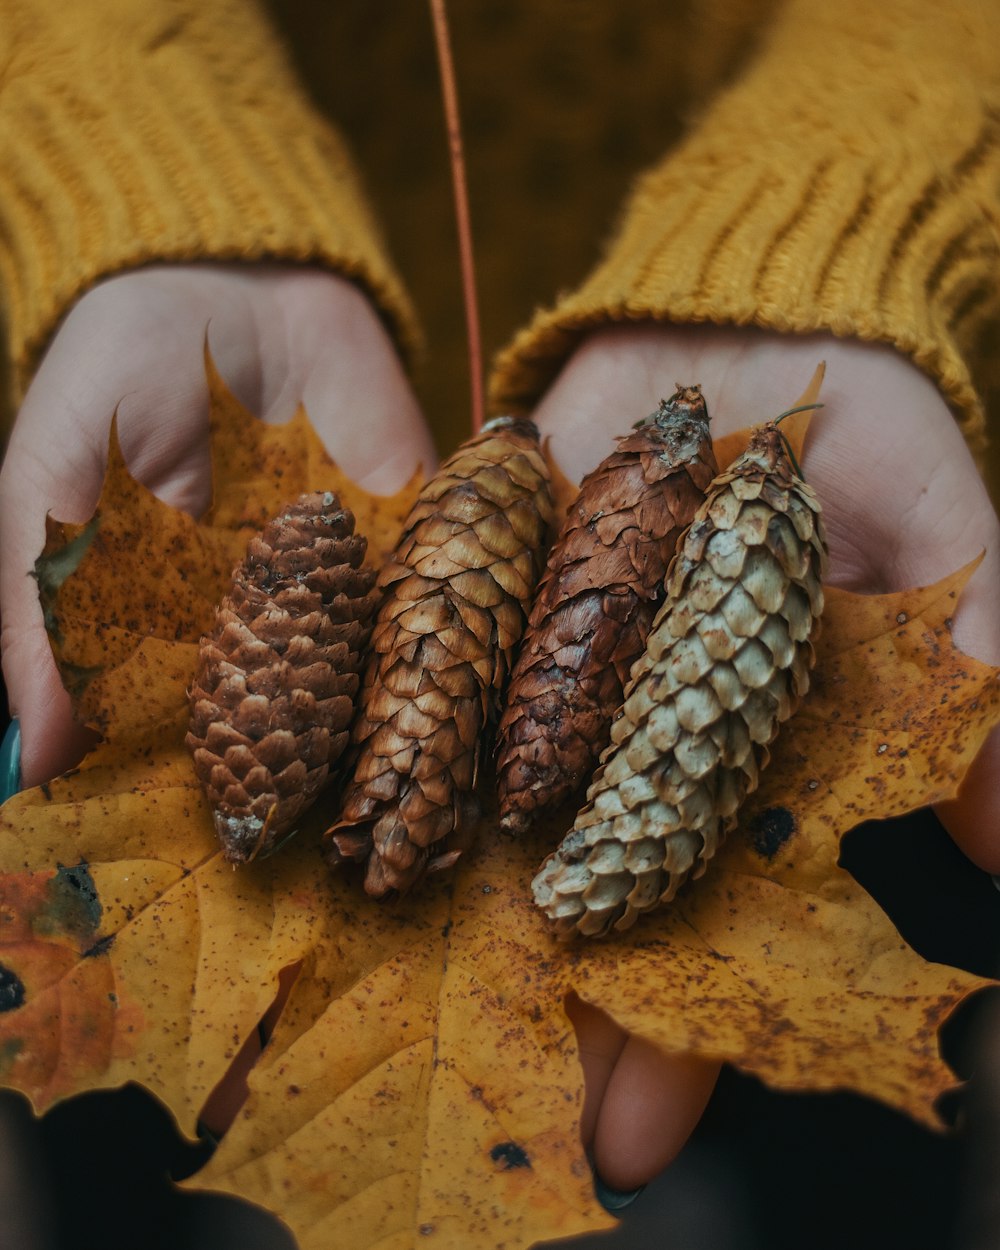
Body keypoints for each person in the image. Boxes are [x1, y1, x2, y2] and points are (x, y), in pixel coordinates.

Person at [0, 0, 997, 1234]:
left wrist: (845, 223)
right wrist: (147, 176)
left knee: (827, 1138)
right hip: (267, 405)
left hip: (832, 556)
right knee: (126, 1071)